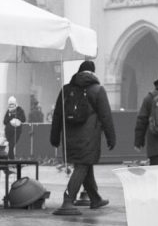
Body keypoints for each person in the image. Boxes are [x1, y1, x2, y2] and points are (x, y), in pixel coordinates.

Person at [48, 59, 115, 209]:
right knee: (83, 166)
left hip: (69, 138)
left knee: (84, 165)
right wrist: (111, 138)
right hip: (89, 138)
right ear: (93, 73)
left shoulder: (66, 90)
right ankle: (68, 200)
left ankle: (95, 199)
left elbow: (57, 115)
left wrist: (54, 137)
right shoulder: (97, 90)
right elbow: (106, 116)